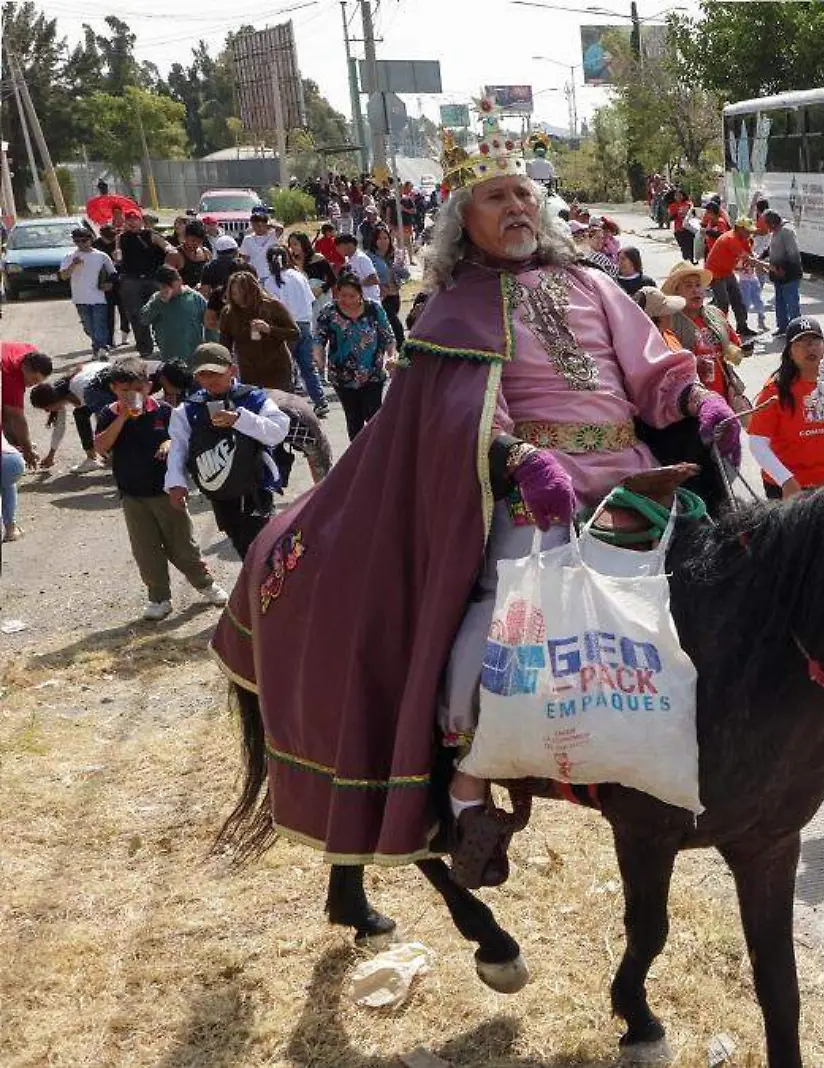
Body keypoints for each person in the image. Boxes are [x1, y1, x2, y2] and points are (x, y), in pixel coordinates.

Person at [209, 128, 740, 885]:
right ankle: (465, 787)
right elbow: (458, 416)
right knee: (501, 626)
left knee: (728, 577)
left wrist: (697, 399)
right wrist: (519, 458)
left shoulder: (591, 283)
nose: (517, 206)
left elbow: (651, 369)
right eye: (497, 196)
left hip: (637, 474)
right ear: (464, 217)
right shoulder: (450, 308)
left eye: (525, 192)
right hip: (533, 492)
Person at [92, 359, 228, 620]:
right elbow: (101, 446)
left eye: (138, 390)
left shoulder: (164, 411)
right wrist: (122, 415)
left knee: (183, 545)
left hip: (165, 491)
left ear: (149, 386)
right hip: (133, 495)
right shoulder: (109, 414)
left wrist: (168, 442)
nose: (132, 396)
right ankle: (159, 598)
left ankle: (205, 584)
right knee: (146, 550)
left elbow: (180, 438)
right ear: (113, 389)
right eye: (124, 391)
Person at [164, 342, 290, 558]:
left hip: (255, 487)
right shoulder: (188, 409)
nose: (210, 380)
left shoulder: (254, 398)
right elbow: (178, 448)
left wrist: (241, 419)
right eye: (203, 374)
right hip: (220, 489)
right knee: (242, 543)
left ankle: (269, 589)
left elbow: (278, 431)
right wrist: (176, 483)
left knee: (262, 548)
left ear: (232, 370)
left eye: (216, 373)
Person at [745, 317, 824, 500]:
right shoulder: (775, 391)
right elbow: (757, 443)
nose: (809, 347)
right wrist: (786, 480)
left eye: (815, 340)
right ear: (789, 352)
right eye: (801, 342)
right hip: (787, 486)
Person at [314, 273, 396, 439]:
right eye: (343, 295)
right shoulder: (329, 312)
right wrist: (319, 357)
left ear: (360, 294)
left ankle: (378, 455)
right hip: (342, 375)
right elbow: (319, 339)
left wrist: (391, 356)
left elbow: (388, 336)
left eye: (352, 296)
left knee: (374, 417)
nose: (347, 300)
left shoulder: (374, 309)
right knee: (354, 420)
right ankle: (358, 460)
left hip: (372, 372)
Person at [660, 261, 748, 408]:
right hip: (690, 400)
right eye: (688, 286)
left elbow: (733, 349)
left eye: (698, 285)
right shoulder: (668, 321)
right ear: (676, 292)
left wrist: (740, 351)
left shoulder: (716, 315)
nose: (696, 290)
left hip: (724, 393)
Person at [261, 246, 326, 414]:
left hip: (285, 327)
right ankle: (320, 400)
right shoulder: (299, 276)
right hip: (304, 324)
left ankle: (288, 404)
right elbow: (310, 300)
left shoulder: (270, 281)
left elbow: (272, 307)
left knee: (285, 367)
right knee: (307, 366)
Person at [27, 358, 113, 474]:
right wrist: (51, 455)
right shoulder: (60, 391)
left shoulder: (80, 389)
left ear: (52, 402)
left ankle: (114, 455)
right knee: (80, 414)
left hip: (109, 385)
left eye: (46, 408)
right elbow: (59, 427)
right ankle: (92, 459)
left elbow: (104, 416)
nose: (47, 411)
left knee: (98, 419)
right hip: (104, 379)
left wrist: (105, 446)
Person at [219, 271, 300, 393]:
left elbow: (295, 333)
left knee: (281, 407)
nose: (239, 298)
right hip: (249, 371)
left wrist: (269, 329)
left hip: (277, 369)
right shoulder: (228, 313)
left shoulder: (272, 306)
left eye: (243, 294)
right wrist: (225, 367)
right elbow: (225, 344)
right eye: (234, 294)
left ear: (252, 291)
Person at [116, 211, 171, 359]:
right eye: (129, 220)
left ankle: (164, 345)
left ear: (141, 221)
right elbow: (118, 255)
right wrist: (117, 253)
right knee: (136, 315)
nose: (132, 223)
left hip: (152, 278)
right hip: (131, 279)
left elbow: (167, 247)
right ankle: (145, 350)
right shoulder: (121, 237)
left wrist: (168, 251)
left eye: (135, 220)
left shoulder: (150, 235)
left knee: (161, 311)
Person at [139, 266, 210, 370]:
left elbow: (210, 322)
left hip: (192, 354)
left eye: (171, 285)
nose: (168, 289)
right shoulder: (157, 299)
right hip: (168, 355)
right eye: (163, 286)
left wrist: (210, 346)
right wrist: (159, 302)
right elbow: (144, 319)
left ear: (180, 281)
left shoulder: (194, 297)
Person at [61, 226, 117, 356]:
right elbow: (63, 276)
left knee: (99, 325)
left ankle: (101, 349)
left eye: (83, 240)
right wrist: (73, 265)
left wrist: (110, 284)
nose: (81, 244)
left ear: (90, 240)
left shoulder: (101, 256)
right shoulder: (70, 256)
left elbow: (113, 273)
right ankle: (97, 346)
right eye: (77, 241)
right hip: (80, 298)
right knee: (89, 327)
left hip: (98, 297)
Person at [1, 346, 54, 472]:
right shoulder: (12, 376)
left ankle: (12, 444)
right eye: (34, 380)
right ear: (25, 368)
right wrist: (27, 450)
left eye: (38, 382)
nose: (33, 385)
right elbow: (16, 417)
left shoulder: (31, 353)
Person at [705, 217, 758, 339]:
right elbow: (747, 258)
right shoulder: (731, 238)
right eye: (747, 230)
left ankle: (742, 326)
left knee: (738, 299)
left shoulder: (742, 238)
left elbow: (749, 254)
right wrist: (767, 266)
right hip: (715, 273)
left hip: (727, 271)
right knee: (723, 302)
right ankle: (719, 330)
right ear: (739, 228)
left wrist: (757, 264)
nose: (750, 233)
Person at [367, 225, 409, 350]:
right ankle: (404, 354)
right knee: (397, 327)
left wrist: (399, 266)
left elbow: (406, 275)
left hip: (395, 296)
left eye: (386, 238)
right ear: (374, 241)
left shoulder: (395, 255)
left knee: (385, 329)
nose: (383, 241)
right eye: (379, 238)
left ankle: (388, 356)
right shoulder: (370, 257)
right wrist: (378, 285)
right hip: (382, 298)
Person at [761, 210, 802, 336]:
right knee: (780, 302)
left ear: (772, 223)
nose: (766, 228)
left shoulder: (786, 232)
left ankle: (796, 329)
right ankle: (782, 327)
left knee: (792, 303)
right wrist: (762, 256)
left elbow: (793, 254)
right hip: (778, 275)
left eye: (767, 224)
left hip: (789, 274)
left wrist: (783, 268)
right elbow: (772, 247)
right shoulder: (776, 232)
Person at [334, 232, 381, 307]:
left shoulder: (361, 258)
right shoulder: (348, 259)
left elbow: (374, 279)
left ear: (348, 245)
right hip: (357, 303)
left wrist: (354, 285)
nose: (337, 250)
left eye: (338, 246)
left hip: (369, 303)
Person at [239, 207, 278, 273]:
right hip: (255, 274)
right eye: (254, 225)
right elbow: (245, 258)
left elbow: (280, 229)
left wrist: (269, 225)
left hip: (270, 274)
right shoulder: (247, 238)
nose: (257, 227)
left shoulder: (272, 235)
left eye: (260, 225)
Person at [669, 190, 696, 263]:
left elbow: (694, 214)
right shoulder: (672, 205)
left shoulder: (688, 203)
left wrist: (690, 210)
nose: (678, 197)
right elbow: (670, 218)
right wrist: (677, 213)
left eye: (680, 195)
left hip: (689, 228)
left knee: (691, 246)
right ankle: (687, 262)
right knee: (684, 248)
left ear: (683, 195)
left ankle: (692, 261)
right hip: (679, 230)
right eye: (676, 195)